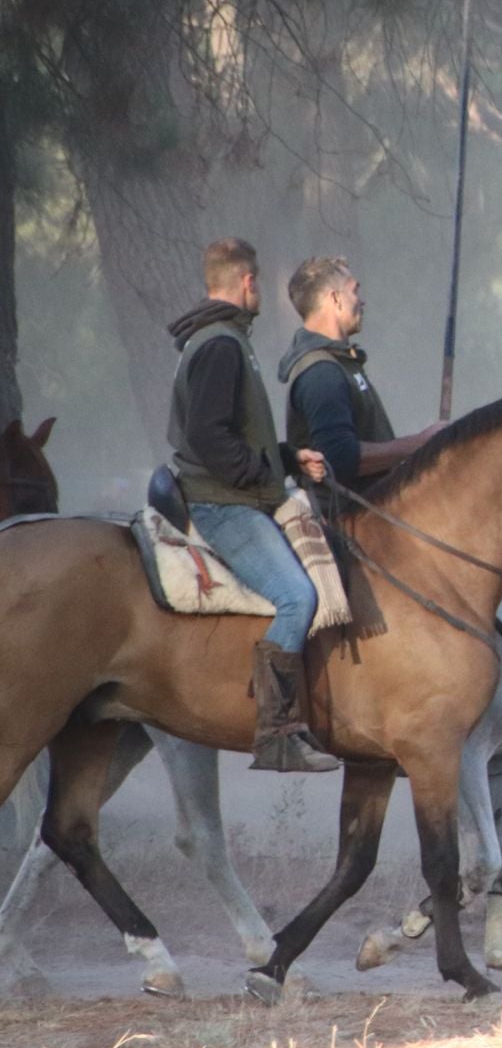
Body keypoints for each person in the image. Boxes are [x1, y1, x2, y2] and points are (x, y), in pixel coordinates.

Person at [166, 238, 337, 774]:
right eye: (258, 282)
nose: (260, 290)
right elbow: (208, 435)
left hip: (239, 493)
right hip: (223, 504)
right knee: (296, 597)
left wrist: (285, 458)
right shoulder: (221, 344)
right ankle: (277, 733)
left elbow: (232, 432)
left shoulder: (224, 339)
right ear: (247, 282)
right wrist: (261, 475)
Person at [278, 256, 442, 511]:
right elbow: (341, 459)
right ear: (335, 299)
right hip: (348, 521)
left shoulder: (340, 361)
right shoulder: (321, 372)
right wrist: (421, 443)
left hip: (372, 513)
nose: (361, 301)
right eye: (354, 291)